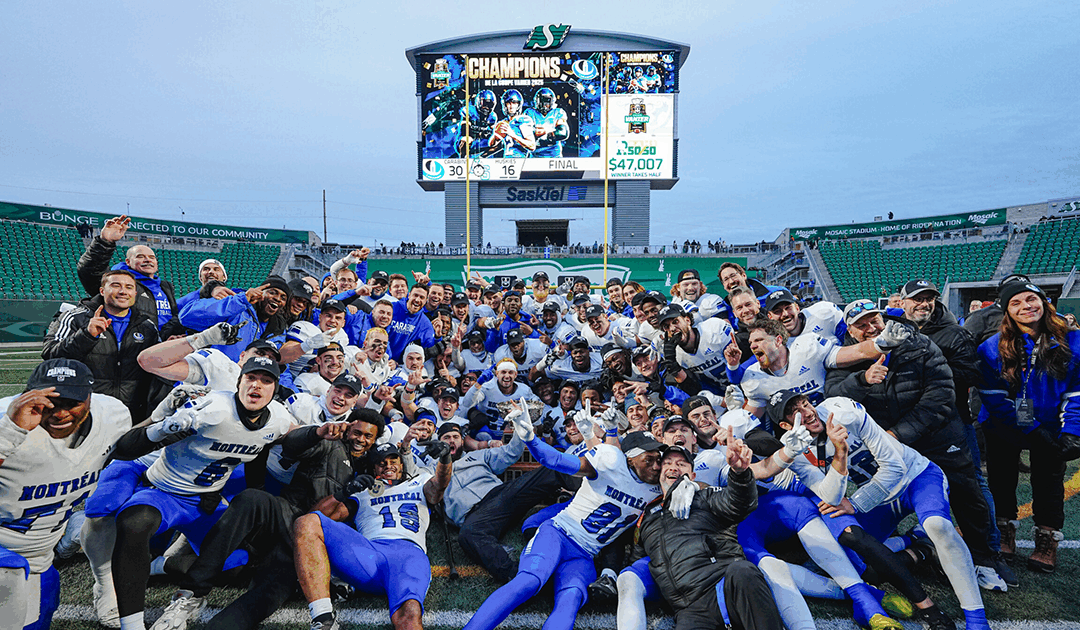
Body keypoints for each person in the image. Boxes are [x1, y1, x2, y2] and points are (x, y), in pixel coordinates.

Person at [826, 299, 1006, 591]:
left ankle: (985, 559)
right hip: (886, 445)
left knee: (966, 494)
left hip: (935, 436)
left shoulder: (917, 342)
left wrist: (898, 434)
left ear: (883, 319)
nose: (870, 328)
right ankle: (914, 549)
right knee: (887, 499)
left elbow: (941, 393)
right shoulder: (845, 355)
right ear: (850, 330)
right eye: (861, 324)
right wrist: (862, 379)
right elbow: (832, 393)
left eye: (874, 320)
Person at [106, 356, 295, 630]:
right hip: (165, 492)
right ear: (238, 382)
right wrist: (163, 426)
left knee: (237, 566)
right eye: (251, 378)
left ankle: (163, 565)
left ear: (274, 389)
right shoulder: (212, 408)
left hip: (207, 500)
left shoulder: (277, 419)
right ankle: (131, 624)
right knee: (133, 523)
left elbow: (257, 450)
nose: (257, 385)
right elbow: (124, 449)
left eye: (266, 381)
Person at [151, 410, 386, 630]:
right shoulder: (330, 445)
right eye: (357, 432)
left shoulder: (368, 470)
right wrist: (317, 431)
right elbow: (293, 444)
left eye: (368, 436)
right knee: (252, 499)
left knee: (271, 593)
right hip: (286, 515)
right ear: (347, 430)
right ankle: (192, 593)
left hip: (305, 546)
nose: (361, 439)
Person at [774, 391, 990, 630]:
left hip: (915, 477)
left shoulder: (843, 411)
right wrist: (841, 454)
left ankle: (977, 621)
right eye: (796, 413)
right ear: (785, 425)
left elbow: (895, 467)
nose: (807, 413)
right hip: (881, 498)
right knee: (856, 563)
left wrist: (856, 503)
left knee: (938, 526)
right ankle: (920, 546)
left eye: (805, 404)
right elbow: (831, 496)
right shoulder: (795, 447)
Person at [464, 416, 666, 630]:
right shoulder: (610, 462)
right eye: (648, 459)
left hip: (585, 553)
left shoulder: (658, 487)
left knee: (570, 601)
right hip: (558, 534)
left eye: (659, 459)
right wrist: (531, 439)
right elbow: (557, 461)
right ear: (630, 459)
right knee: (528, 582)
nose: (656, 466)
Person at [0, 359, 131, 630]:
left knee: (37, 606)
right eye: (49, 403)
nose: (59, 414)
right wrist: (10, 432)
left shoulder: (113, 417)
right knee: (9, 573)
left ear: (90, 399)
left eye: (70, 403)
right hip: (7, 558)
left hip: (38, 555)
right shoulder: (5, 419)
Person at [292, 438, 452, 630]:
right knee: (305, 522)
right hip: (368, 554)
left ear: (402, 463)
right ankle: (323, 618)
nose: (388, 466)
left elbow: (439, 487)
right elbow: (316, 517)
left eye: (393, 461)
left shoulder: (419, 482)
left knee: (409, 616)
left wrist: (445, 457)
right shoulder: (362, 493)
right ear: (373, 469)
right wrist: (345, 492)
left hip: (408, 554)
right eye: (381, 463)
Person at [976, 280, 1080, 573]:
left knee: (1049, 482)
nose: (1026, 307)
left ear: (1044, 302)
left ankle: (1047, 539)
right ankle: (1005, 532)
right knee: (1001, 479)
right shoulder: (992, 347)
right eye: (1016, 303)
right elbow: (993, 397)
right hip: (1004, 424)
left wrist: (1072, 431)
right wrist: (1029, 427)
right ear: (1007, 311)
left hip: (1051, 424)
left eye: (1031, 299)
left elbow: (1078, 392)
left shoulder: (1073, 341)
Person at [630, 443, 782, 630]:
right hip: (690, 609)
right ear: (660, 473)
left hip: (725, 586)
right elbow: (637, 559)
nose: (673, 467)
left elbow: (739, 502)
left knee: (743, 571)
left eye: (681, 464)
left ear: (693, 476)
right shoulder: (647, 517)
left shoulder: (705, 497)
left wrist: (740, 474)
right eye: (667, 462)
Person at [43, 269, 161, 420]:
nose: (123, 291)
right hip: (87, 410)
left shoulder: (147, 326)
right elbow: (50, 355)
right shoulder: (77, 318)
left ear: (135, 293)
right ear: (102, 291)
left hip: (131, 413)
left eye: (129, 287)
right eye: (116, 285)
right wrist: (86, 335)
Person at [77, 215, 179, 333]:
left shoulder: (165, 286)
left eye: (151, 257)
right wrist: (105, 242)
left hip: (163, 342)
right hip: (134, 343)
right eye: (140, 257)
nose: (148, 260)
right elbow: (90, 271)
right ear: (128, 262)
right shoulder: (119, 282)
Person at [179, 276, 292, 362]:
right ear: (260, 293)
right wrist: (242, 300)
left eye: (283, 297)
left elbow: (276, 364)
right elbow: (187, 316)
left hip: (245, 385)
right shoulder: (236, 304)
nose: (277, 298)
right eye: (272, 292)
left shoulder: (279, 329)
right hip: (209, 377)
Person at [764, 288, 846, 344]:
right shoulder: (773, 342)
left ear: (797, 308)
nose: (785, 314)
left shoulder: (823, 312)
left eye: (788, 308)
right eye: (777, 311)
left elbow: (850, 339)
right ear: (770, 316)